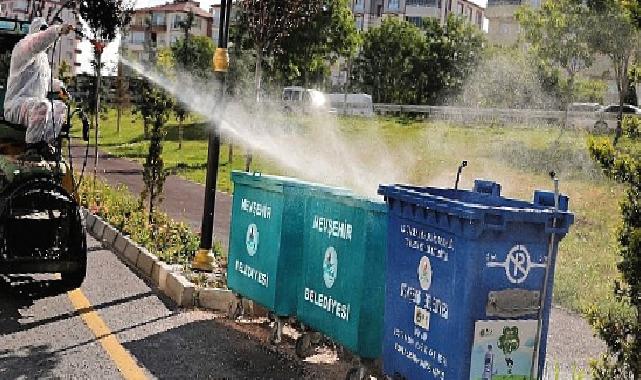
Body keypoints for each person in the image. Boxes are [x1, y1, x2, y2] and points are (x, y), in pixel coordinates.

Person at [3, 17, 74, 145]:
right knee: (42, 106)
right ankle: (33, 146)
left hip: (34, 104)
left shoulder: (43, 59)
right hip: (16, 104)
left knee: (59, 108)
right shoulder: (23, 47)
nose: (43, 34)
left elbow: (45, 81)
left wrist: (60, 87)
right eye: (41, 31)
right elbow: (36, 42)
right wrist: (57, 30)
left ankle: (46, 144)